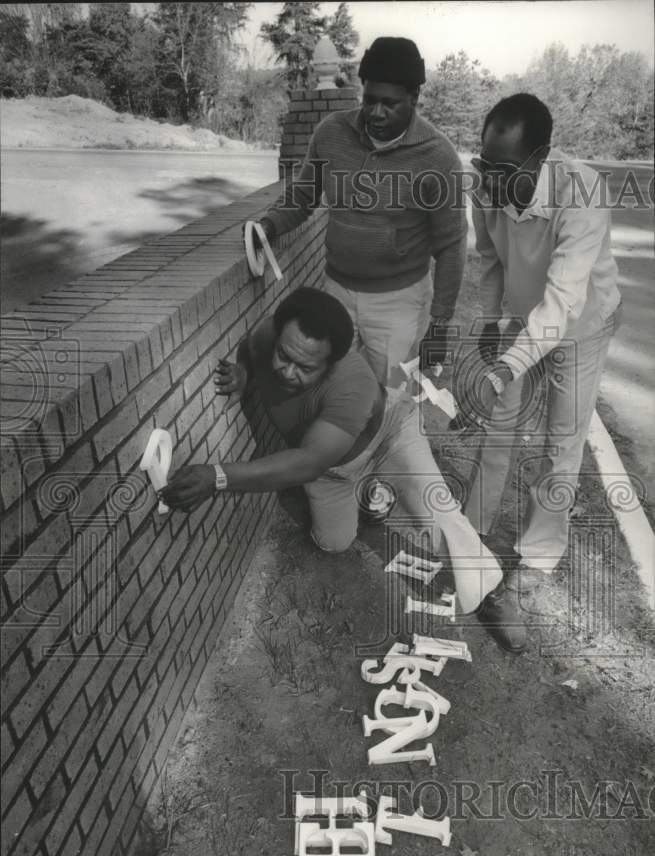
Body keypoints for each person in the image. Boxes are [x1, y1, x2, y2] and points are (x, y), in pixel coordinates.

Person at [161, 287, 526, 652]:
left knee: (438, 511)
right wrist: (244, 374)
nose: (288, 371)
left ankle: (488, 588)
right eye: (283, 357)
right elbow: (251, 349)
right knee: (333, 543)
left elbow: (308, 461)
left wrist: (217, 476)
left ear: (331, 363)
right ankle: (369, 494)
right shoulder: (267, 336)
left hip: (388, 437)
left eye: (305, 368)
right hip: (334, 469)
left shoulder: (354, 384)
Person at [452, 93, 622, 595]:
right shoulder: (486, 187)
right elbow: (491, 260)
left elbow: (564, 302)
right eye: (485, 164)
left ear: (542, 154)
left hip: (580, 326)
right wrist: (489, 323)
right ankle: (472, 531)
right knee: (497, 426)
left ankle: (538, 556)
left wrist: (505, 368)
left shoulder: (582, 193)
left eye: (504, 169)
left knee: (560, 442)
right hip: (525, 319)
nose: (493, 180)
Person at [254, 36, 467, 388]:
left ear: (414, 99)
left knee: (387, 397)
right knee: (335, 390)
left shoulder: (438, 156)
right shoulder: (332, 133)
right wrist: (268, 226)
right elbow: (304, 194)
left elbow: (452, 245)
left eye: (390, 103)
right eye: (369, 99)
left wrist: (440, 324)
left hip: (398, 301)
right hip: (337, 291)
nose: (376, 112)